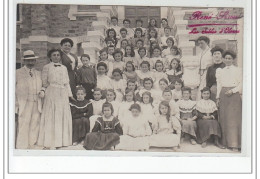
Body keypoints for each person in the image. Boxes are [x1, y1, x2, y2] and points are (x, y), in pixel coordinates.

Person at [38, 49, 74, 149]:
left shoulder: (64, 68)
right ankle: (50, 141)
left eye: (58, 55)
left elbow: (67, 83)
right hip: (51, 92)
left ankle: (62, 141)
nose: (56, 57)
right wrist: (43, 90)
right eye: (54, 55)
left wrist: (70, 95)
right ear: (50, 56)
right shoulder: (46, 67)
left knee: (61, 114)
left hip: (62, 93)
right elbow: (44, 83)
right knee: (51, 115)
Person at [15, 50, 44, 149]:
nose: (31, 63)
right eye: (28, 61)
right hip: (24, 103)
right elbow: (11, 90)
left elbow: (43, 86)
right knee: (24, 123)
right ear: (24, 62)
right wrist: (16, 105)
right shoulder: (17, 73)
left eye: (32, 61)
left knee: (35, 123)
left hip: (36, 102)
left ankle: (32, 144)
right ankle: (22, 146)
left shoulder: (38, 73)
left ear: (35, 61)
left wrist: (42, 91)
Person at [216, 50, 242, 151]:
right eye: (226, 58)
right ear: (223, 59)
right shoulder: (220, 71)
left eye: (230, 58)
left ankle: (235, 144)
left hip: (234, 95)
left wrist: (233, 90)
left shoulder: (238, 70)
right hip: (223, 95)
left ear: (233, 59)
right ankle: (226, 143)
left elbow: (242, 83)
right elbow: (219, 85)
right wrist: (217, 97)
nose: (228, 60)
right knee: (224, 119)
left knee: (234, 120)